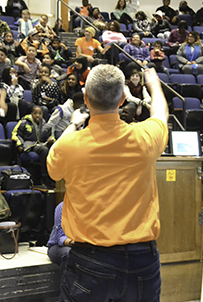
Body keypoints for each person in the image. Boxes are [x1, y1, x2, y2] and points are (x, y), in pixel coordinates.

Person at [47, 66, 169, 302]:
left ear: (85, 99)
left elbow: (53, 168)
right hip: (143, 258)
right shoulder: (145, 137)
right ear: (123, 99)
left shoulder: (69, 145)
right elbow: (161, 114)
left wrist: (73, 124)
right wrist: (154, 85)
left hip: (91, 258)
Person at [11, 106, 55, 187]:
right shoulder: (24, 122)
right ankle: (45, 177)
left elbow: (51, 136)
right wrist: (19, 145)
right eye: (35, 113)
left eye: (40, 114)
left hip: (41, 144)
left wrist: (51, 140)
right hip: (28, 145)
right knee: (44, 150)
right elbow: (16, 134)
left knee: (53, 150)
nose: (38, 115)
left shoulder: (46, 125)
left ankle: (55, 177)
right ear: (31, 114)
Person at [47, 202, 71, 267]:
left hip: (83, 246)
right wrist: (77, 243)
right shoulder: (63, 206)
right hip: (58, 246)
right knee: (71, 255)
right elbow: (61, 238)